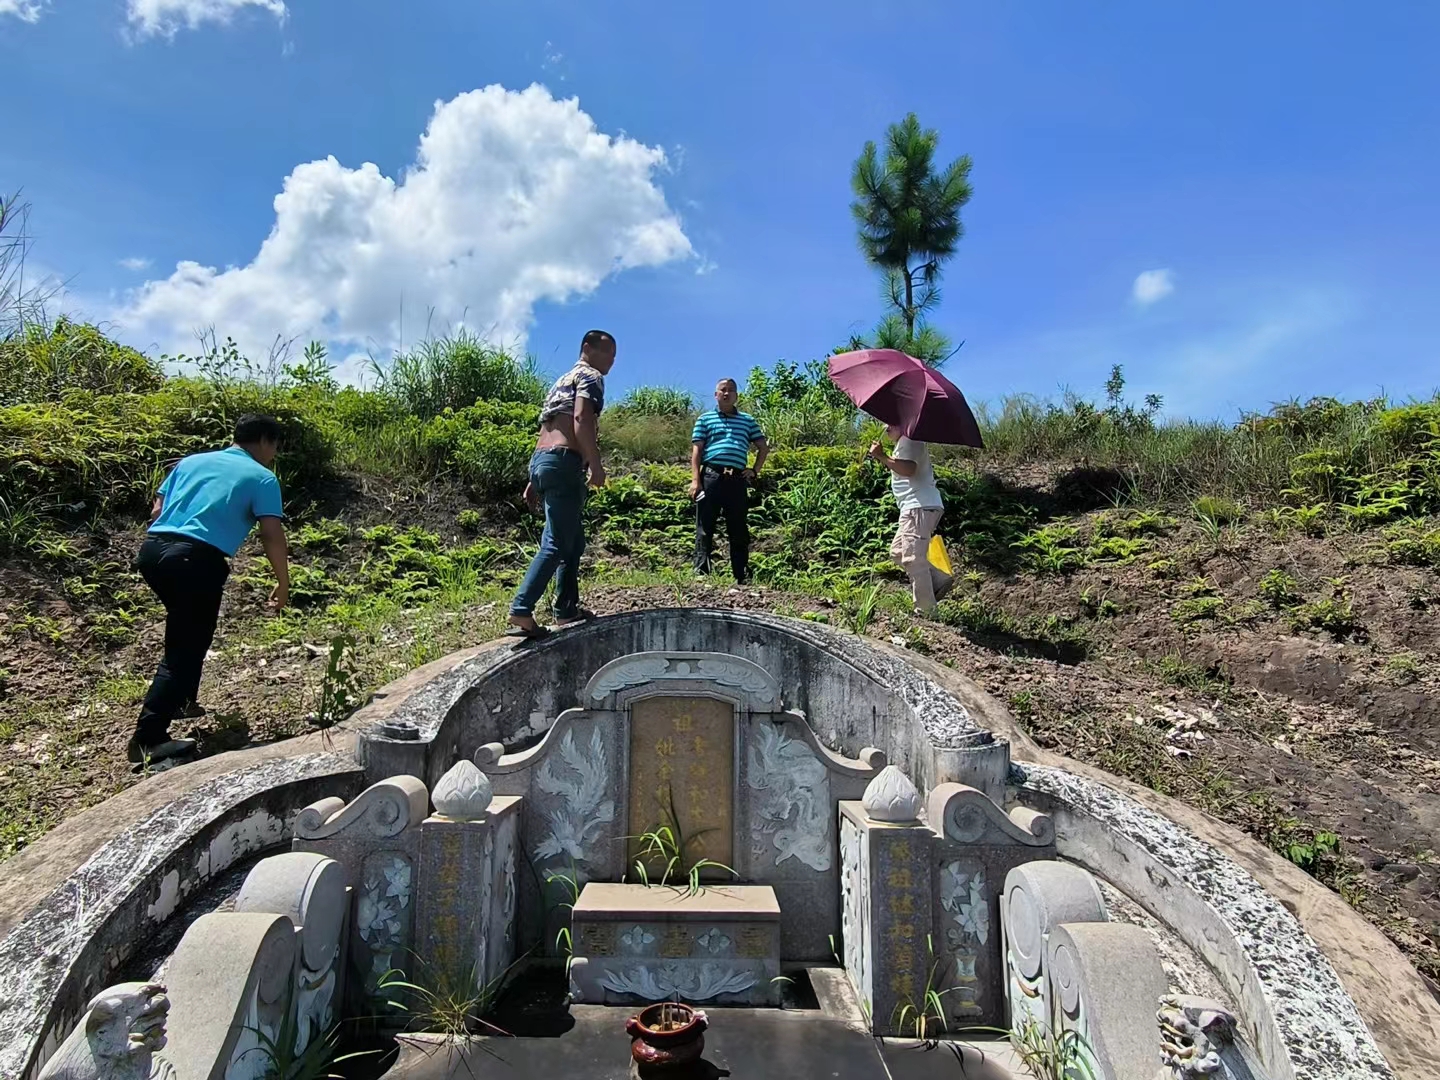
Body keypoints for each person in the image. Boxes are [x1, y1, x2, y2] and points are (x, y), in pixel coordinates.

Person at [131, 414, 290, 766]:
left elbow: (157, 509)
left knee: (190, 630)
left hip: (153, 552)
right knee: (183, 648)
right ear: (265, 440)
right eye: (275, 446)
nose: (274, 454)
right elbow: (271, 533)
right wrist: (283, 581)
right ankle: (148, 739)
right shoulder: (262, 477)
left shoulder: (191, 462)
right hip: (196, 560)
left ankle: (184, 701)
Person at [508, 330, 617, 639]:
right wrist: (594, 462)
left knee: (573, 541)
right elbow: (582, 419)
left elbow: (547, 427)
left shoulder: (561, 380)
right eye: (608, 353)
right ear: (588, 349)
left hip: (543, 460)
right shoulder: (591, 376)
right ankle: (522, 608)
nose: (611, 361)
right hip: (565, 460)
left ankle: (566, 609)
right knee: (556, 542)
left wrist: (535, 478)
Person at [869, 424, 954, 614]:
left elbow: (909, 469)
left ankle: (926, 611)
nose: (886, 427)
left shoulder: (910, 439)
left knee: (913, 558)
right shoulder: (905, 442)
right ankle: (938, 579)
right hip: (916, 506)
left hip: (918, 505)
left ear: (905, 424)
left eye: (891, 423)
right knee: (898, 552)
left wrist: (882, 456)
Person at [690, 377, 768, 585]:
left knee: (738, 527)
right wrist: (695, 481)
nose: (726, 394)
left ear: (736, 395)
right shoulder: (705, 419)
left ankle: (741, 574)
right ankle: (701, 572)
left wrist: (754, 470)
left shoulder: (747, 421)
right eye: (722, 390)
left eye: (731, 391)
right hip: (712, 476)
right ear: (716, 395)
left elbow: (763, 447)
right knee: (705, 525)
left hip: (737, 479)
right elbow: (697, 451)